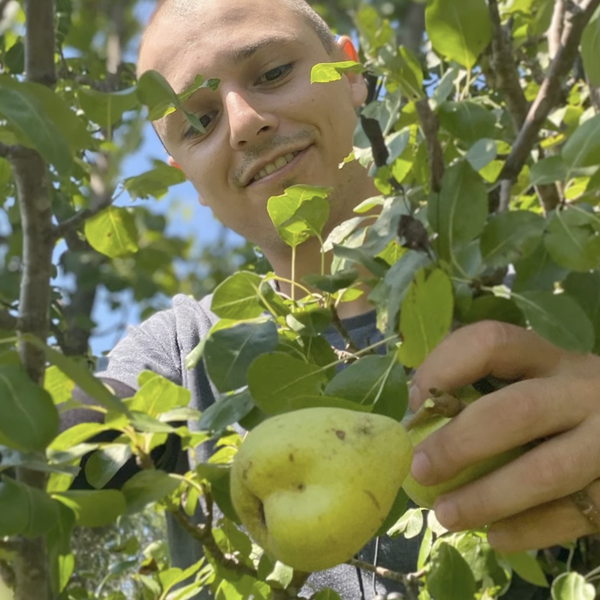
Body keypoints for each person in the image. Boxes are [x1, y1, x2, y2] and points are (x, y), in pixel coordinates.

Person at [66, 0, 600, 598]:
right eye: (199, 122)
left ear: (349, 72)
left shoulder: (542, 276)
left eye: (271, 73)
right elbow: (50, 450)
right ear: (182, 170)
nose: (243, 123)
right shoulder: (186, 358)